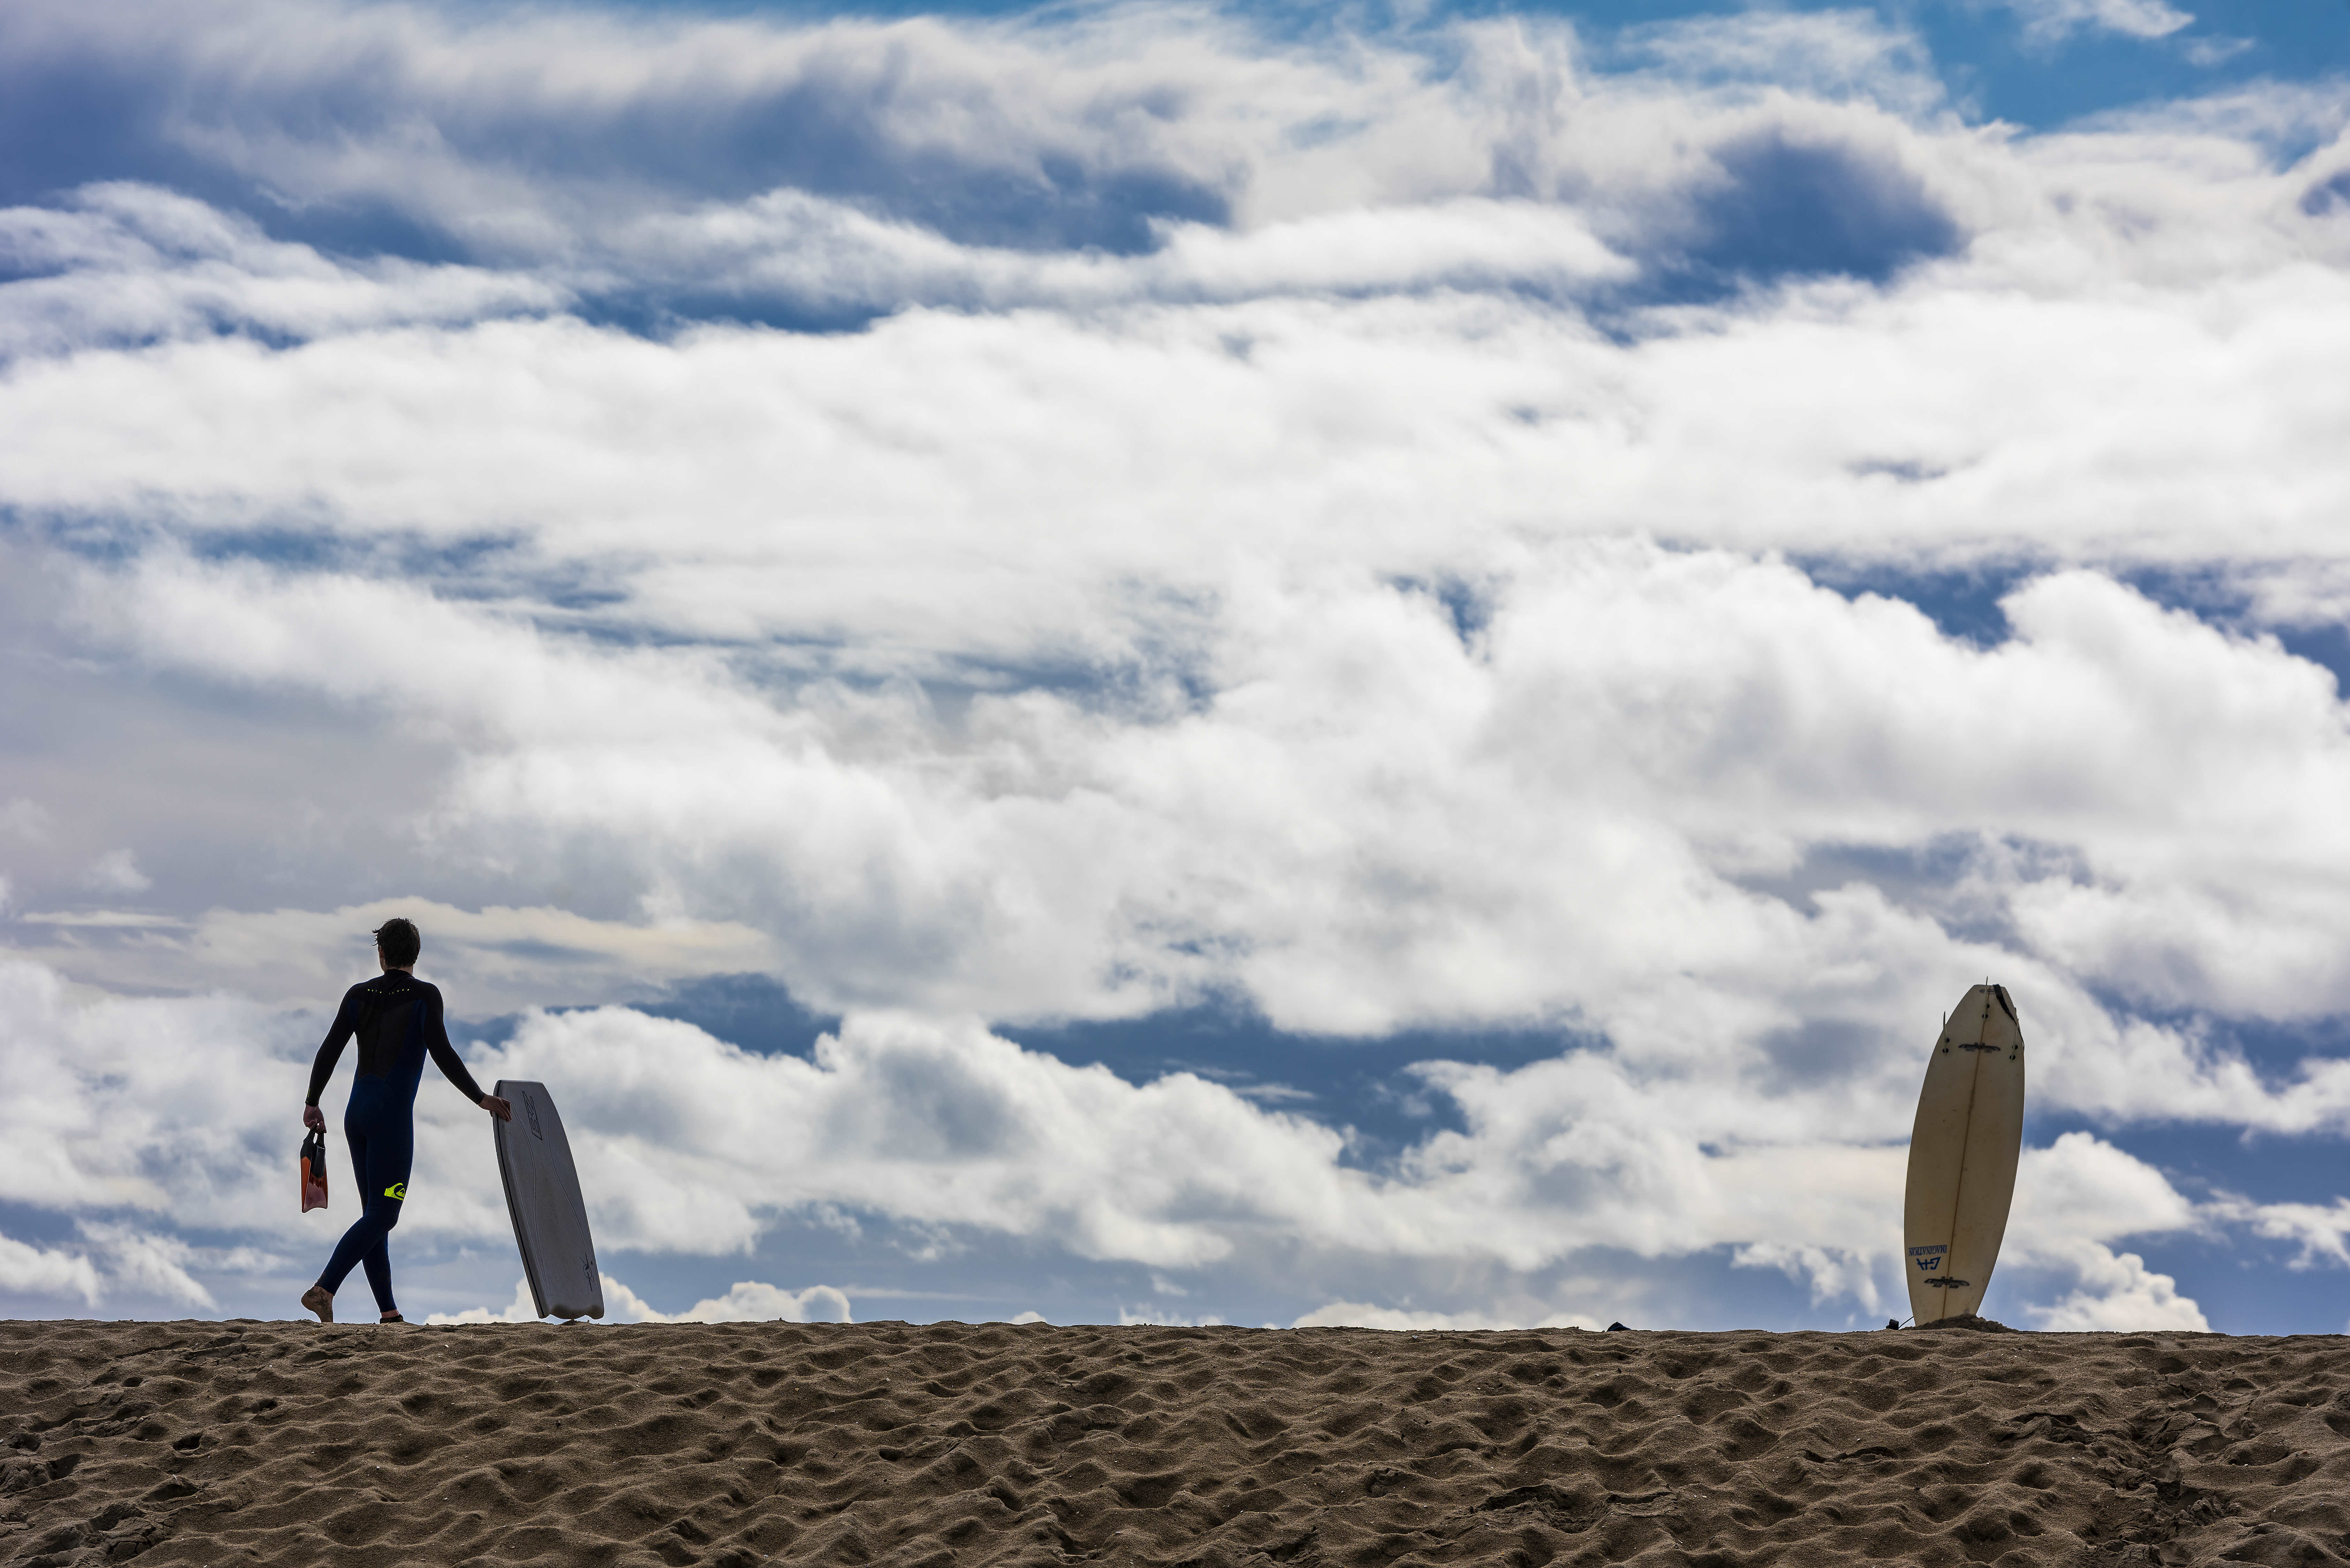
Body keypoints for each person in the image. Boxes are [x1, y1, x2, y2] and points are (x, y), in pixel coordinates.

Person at [300, 918, 510, 1323]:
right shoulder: (425, 996)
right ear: (415, 954)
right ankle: (324, 1289)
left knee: (373, 1215)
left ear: (381, 954)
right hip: (390, 1118)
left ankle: (389, 1313)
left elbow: (328, 1051)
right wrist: (480, 1097)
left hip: (355, 1114)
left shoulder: (357, 995)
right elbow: (442, 1052)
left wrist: (312, 1102)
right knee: (386, 1214)